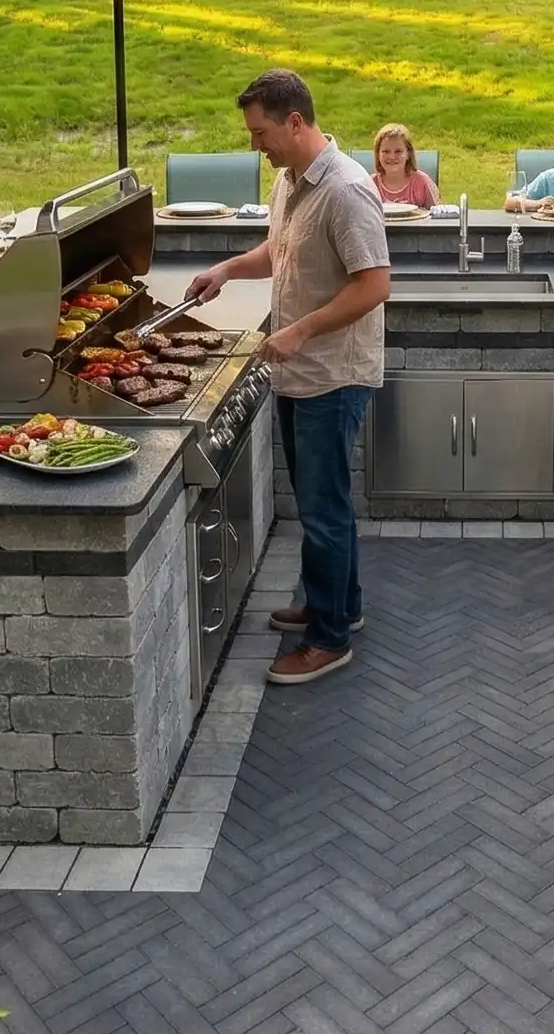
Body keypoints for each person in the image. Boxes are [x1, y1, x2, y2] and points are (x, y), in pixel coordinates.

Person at [186, 70, 391, 686]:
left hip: (332, 375)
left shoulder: (347, 191)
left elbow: (374, 285)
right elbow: (279, 251)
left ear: (295, 122)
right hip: (297, 371)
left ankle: (328, 640)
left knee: (323, 509)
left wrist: (300, 331)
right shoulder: (290, 180)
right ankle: (338, 605)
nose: (256, 146)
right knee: (319, 502)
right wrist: (226, 269)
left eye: (261, 132)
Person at [368, 123, 439, 208]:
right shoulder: (370, 184)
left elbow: (437, 215)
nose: (392, 156)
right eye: (386, 151)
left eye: (398, 151)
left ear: (408, 154)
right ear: (378, 154)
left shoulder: (422, 183)